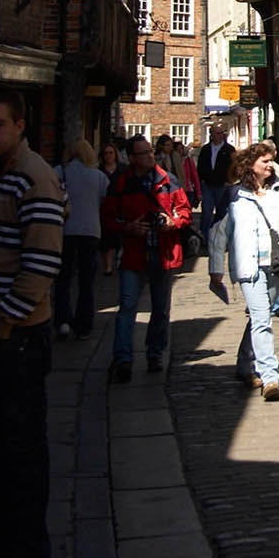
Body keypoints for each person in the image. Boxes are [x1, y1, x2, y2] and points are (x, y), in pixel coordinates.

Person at [0, 87, 65, 558]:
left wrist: (4, 323)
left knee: (19, 453)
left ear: (20, 124)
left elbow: (40, 265)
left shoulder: (33, 176)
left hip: (16, 339)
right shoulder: (4, 170)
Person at [210, 142, 279, 401]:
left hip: (276, 264)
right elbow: (218, 234)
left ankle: (243, 363)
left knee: (263, 316)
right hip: (249, 267)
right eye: (265, 161)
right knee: (262, 319)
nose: (270, 165)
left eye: (271, 161)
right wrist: (215, 269)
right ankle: (270, 377)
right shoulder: (235, 196)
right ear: (251, 165)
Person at [102, 137, 192, 383]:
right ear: (132, 158)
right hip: (133, 254)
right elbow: (108, 218)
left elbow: (184, 211)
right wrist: (127, 227)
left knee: (160, 309)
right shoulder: (121, 182)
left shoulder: (167, 180)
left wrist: (173, 222)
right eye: (143, 153)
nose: (150, 156)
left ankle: (155, 353)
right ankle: (123, 359)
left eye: (150, 152)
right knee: (127, 307)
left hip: (162, 254)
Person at [54, 139, 108, 339]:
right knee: (86, 281)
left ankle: (63, 321)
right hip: (91, 230)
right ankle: (84, 326)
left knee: (63, 279)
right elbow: (104, 200)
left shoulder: (59, 172)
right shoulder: (99, 176)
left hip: (65, 230)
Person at [196, 121, 234, 240]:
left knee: (221, 213)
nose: (219, 135)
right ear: (211, 134)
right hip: (207, 185)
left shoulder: (229, 150)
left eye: (221, 133)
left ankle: (218, 238)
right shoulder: (205, 149)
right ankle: (205, 237)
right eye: (216, 133)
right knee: (206, 213)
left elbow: (234, 166)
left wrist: (230, 180)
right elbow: (200, 167)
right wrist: (201, 181)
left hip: (223, 185)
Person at [99, 140, 122, 274]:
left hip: (120, 205)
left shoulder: (122, 169)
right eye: (106, 153)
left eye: (111, 153)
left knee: (119, 236)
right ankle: (108, 266)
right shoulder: (99, 170)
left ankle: (119, 259)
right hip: (105, 207)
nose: (108, 155)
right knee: (106, 238)